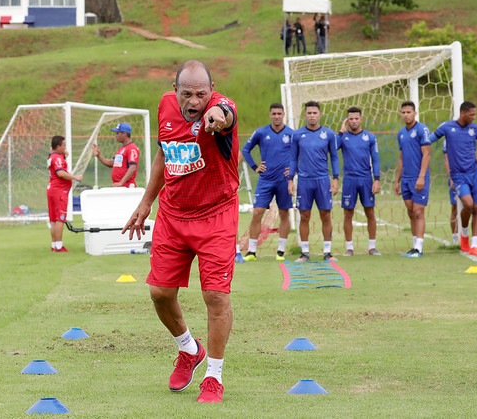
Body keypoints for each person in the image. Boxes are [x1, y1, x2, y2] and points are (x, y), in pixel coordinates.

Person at [122, 60, 238, 403]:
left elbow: (224, 113)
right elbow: (163, 153)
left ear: (211, 89)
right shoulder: (164, 106)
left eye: (201, 94)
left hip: (216, 213)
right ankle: (188, 349)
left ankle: (213, 377)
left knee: (216, 296)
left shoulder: (222, 107)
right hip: (173, 214)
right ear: (175, 91)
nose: (194, 102)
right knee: (159, 293)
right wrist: (146, 202)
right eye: (186, 94)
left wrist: (216, 118)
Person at [430, 101, 477, 256]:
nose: (474, 117)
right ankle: (464, 235)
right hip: (458, 175)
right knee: (468, 204)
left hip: (474, 173)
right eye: (472, 114)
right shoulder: (447, 127)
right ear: (463, 113)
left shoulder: (474, 128)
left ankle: (474, 245)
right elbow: (430, 139)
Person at [288, 100, 339, 262]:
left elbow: (335, 157)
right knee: (304, 216)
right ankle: (305, 253)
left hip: (322, 180)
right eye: (309, 113)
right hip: (304, 181)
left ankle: (327, 252)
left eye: (314, 113)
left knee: (325, 215)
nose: (312, 116)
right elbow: (292, 158)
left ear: (320, 114)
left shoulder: (328, 134)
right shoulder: (297, 135)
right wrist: (290, 180)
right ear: (305, 115)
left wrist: (336, 179)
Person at [241, 103, 294, 261]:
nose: (277, 116)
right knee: (257, 213)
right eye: (274, 114)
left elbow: (300, 153)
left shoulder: (292, 134)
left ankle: (281, 252)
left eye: (279, 113)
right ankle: (251, 251)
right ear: (270, 115)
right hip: (265, 181)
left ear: (284, 114)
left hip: (284, 181)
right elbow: (245, 150)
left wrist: (293, 169)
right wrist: (255, 167)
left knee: (284, 213)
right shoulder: (261, 132)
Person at [337, 106, 381, 256]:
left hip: (366, 179)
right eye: (351, 119)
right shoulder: (343, 137)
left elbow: (375, 159)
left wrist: (377, 179)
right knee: (348, 214)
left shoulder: (370, 137)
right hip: (349, 179)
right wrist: (341, 132)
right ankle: (349, 248)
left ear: (361, 119)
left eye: (356, 118)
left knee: (370, 212)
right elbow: (333, 148)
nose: (354, 121)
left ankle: (372, 247)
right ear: (347, 120)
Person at [393, 101, 431, 258]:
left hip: (419, 178)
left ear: (415, 113)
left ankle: (419, 248)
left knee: (418, 211)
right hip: (406, 179)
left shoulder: (422, 130)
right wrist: (397, 180)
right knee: (410, 211)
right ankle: (414, 246)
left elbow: (427, 154)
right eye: (403, 112)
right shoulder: (401, 133)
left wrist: (421, 177)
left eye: (409, 112)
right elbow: (401, 158)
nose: (406, 115)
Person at [47, 135, 83, 252]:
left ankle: (54, 245)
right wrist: (74, 177)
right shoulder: (57, 158)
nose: (65, 148)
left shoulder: (54, 155)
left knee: (54, 219)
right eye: (63, 145)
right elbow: (61, 173)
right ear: (58, 147)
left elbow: (64, 154)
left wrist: (61, 150)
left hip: (52, 189)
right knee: (60, 218)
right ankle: (59, 246)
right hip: (59, 191)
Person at [91, 122, 139, 187]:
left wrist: (121, 183)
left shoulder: (132, 148)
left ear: (124, 134)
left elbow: (133, 168)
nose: (115, 136)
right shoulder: (122, 148)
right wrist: (98, 156)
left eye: (117, 133)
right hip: (118, 186)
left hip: (127, 186)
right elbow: (111, 163)